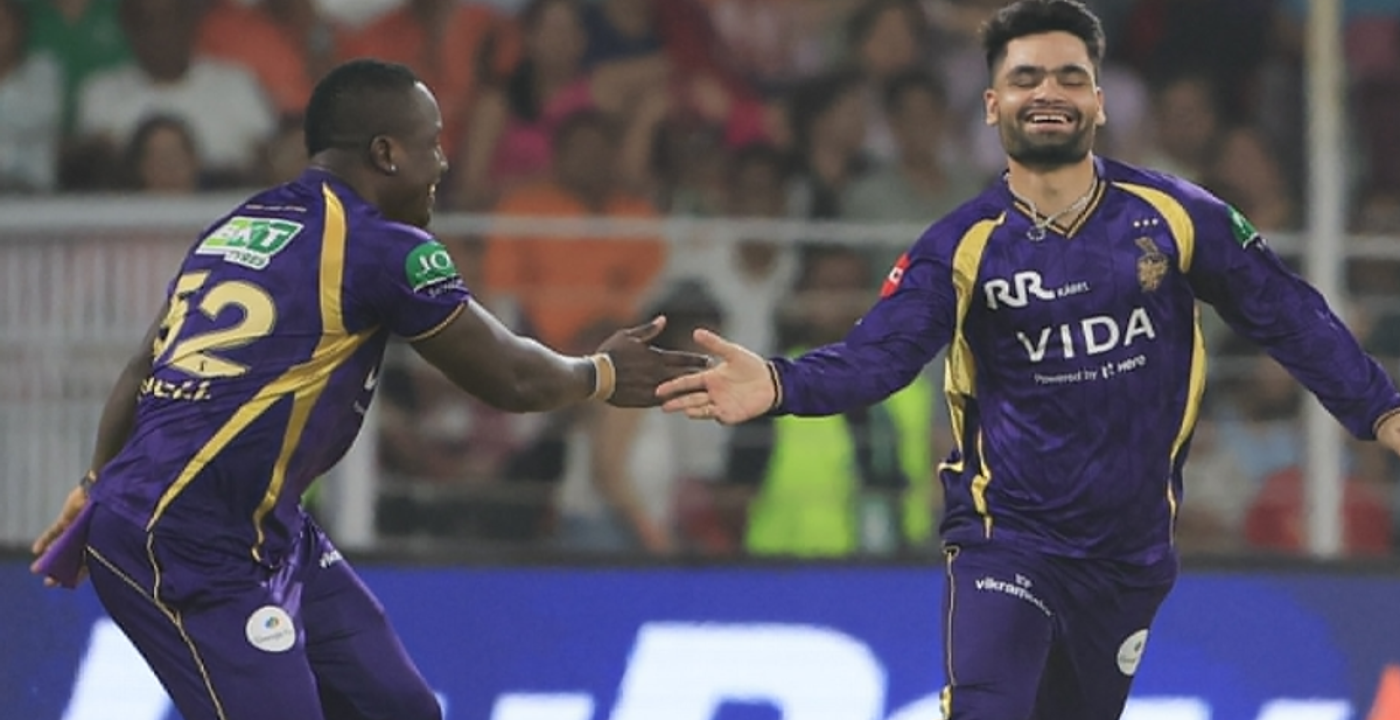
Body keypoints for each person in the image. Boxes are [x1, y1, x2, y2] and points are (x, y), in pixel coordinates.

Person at [657, 2, 1400, 718]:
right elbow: (880, 356)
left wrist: (1380, 409)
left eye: (1070, 77)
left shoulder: (1177, 216)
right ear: (993, 106)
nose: (1048, 92)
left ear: (1099, 102)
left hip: (1129, 555)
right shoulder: (961, 246)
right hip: (1006, 538)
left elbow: (1287, 313)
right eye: (1026, 78)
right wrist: (780, 383)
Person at [30, 58, 704, 720]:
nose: (442, 164)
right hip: (185, 541)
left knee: (398, 708)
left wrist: (94, 482)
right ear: (386, 153)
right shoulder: (383, 247)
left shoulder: (239, 225)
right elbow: (511, 376)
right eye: (431, 144)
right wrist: (601, 373)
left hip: (260, 526)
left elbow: (142, 365)